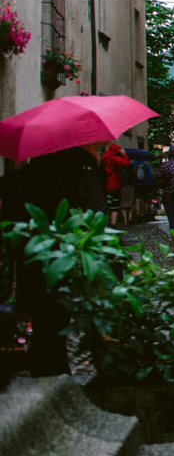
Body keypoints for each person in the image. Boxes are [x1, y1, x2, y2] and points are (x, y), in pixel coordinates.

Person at [0, 142, 109, 376]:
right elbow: (95, 217)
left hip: (32, 267)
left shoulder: (21, 179)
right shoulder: (78, 172)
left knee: (44, 334)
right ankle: (56, 390)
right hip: (65, 263)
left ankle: (47, 381)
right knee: (57, 331)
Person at [100, 143, 133, 225]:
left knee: (106, 206)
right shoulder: (114, 159)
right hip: (114, 186)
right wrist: (124, 154)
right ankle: (113, 224)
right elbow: (126, 163)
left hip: (104, 186)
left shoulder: (103, 158)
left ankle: (105, 224)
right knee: (114, 207)